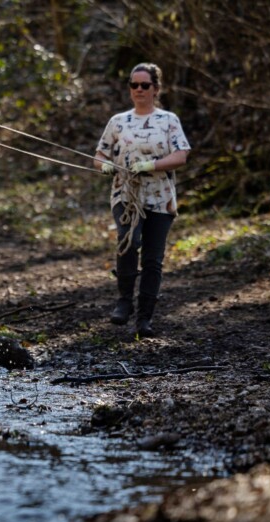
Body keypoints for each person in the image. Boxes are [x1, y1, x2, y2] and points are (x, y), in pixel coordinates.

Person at [94, 63, 191, 338]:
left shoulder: (169, 120)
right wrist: (104, 166)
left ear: (155, 89)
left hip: (161, 199)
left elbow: (182, 155)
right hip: (125, 193)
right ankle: (124, 300)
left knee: (153, 259)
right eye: (134, 85)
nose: (138, 90)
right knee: (128, 241)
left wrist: (152, 165)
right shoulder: (118, 121)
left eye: (144, 85)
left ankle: (145, 318)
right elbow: (100, 154)